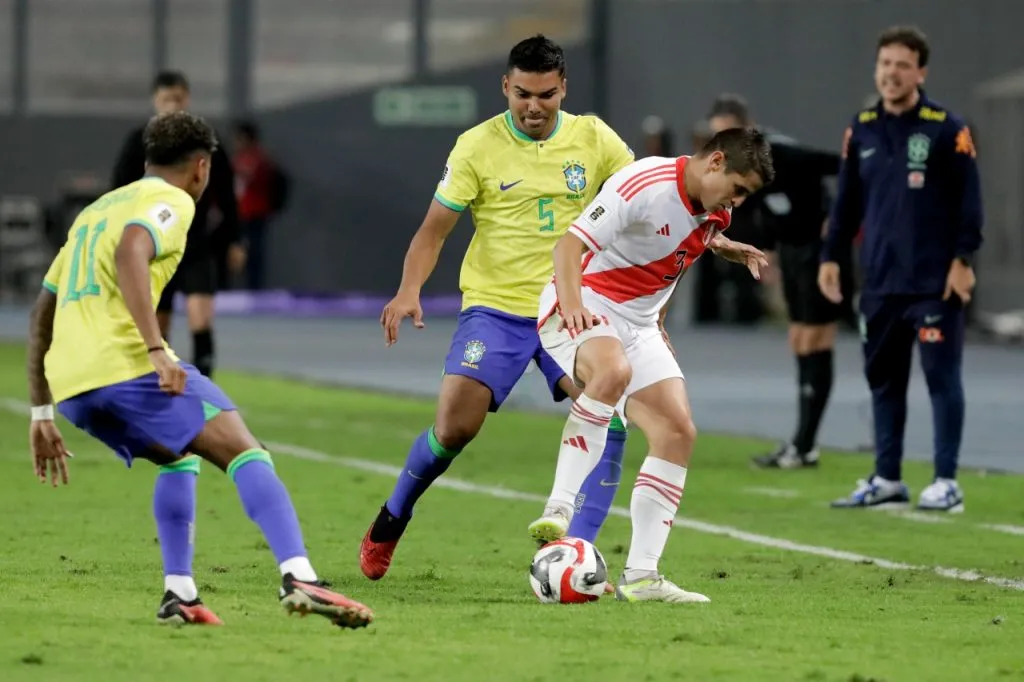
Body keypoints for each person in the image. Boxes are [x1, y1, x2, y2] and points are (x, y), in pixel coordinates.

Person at [27, 111, 373, 628]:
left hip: (75, 390)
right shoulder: (170, 200)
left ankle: (180, 594)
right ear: (202, 167)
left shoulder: (96, 209)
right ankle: (299, 574)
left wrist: (40, 411)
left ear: (146, 159)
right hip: (125, 368)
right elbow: (131, 251)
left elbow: (40, 318)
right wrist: (156, 350)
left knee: (177, 457)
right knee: (244, 448)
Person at [359, 35, 636, 580]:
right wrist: (409, 289)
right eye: (524, 94)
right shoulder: (475, 146)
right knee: (454, 427)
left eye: (547, 95)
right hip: (497, 307)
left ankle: (577, 557)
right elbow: (433, 231)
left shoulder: (595, 138)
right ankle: (391, 519)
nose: (534, 106)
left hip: (570, 307)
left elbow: (644, 202)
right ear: (506, 87)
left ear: (563, 89)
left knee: (609, 413)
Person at [529, 127, 774, 602]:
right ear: (716, 162)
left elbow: (680, 243)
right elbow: (568, 247)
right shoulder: (643, 181)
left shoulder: (715, 209)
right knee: (611, 372)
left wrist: (724, 246)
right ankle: (558, 509)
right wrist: (574, 304)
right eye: (740, 189)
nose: (739, 203)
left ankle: (642, 577)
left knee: (677, 431)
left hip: (638, 325)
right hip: (584, 299)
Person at [820, 26, 982, 512]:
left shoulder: (947, 127)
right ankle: (887, 477)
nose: (892, 73)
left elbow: (969, 202)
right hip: (880, 281)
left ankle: (946, 480)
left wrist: (963, 260)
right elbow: (847, 202)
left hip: (935, 282)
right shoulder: (862, 127)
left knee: (941, 378)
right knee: (884, 380)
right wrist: (831, 255)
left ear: (921, 72)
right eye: (885, 63)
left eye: (902, 65)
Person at [702, 94, 851, 469]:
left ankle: (805, 444)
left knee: (816, 339)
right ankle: (803, 444)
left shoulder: (781, 153)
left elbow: (844, 167)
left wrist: (838, 220)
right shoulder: (733, 173)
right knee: (799, 338)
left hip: (822, 252)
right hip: (794, 252)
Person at [111, 70, 244, 379]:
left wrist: (235, 240)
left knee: (201, 319)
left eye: (178, 99)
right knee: (158, 325)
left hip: (196, 244)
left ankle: (204, 391)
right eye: (166, 99)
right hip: (155, 246)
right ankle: (158, 386)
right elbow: (118, 191)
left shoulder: (205, 141)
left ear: (187, 99)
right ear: (155, 101)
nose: (172, 105)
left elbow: (227, 195)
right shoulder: (139, 142)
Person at [232, 120, 286, 291]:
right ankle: (243, 284)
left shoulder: (258, 159)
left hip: (254, 212)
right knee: (242, 253)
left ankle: (253, 286)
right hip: (241, 212)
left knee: (254, 251)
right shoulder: (241, 158)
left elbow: (250, 178)